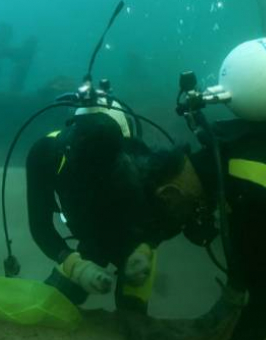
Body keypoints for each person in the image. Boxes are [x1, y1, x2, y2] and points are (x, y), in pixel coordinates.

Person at [146, 29, 266, 340]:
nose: (179, 223)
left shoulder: (255, 194)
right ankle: (228, 307)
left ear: (171, 191)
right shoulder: (221, 151)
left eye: (170, 213)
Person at [25, 102, 166, 312]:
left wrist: (145, 248)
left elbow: (163, 217)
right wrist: (74, 263)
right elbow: (40, 225)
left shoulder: (137, 163)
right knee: (49, 309)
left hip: (132, 241)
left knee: (132, 318)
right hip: (90, 241)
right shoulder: (46, 154)